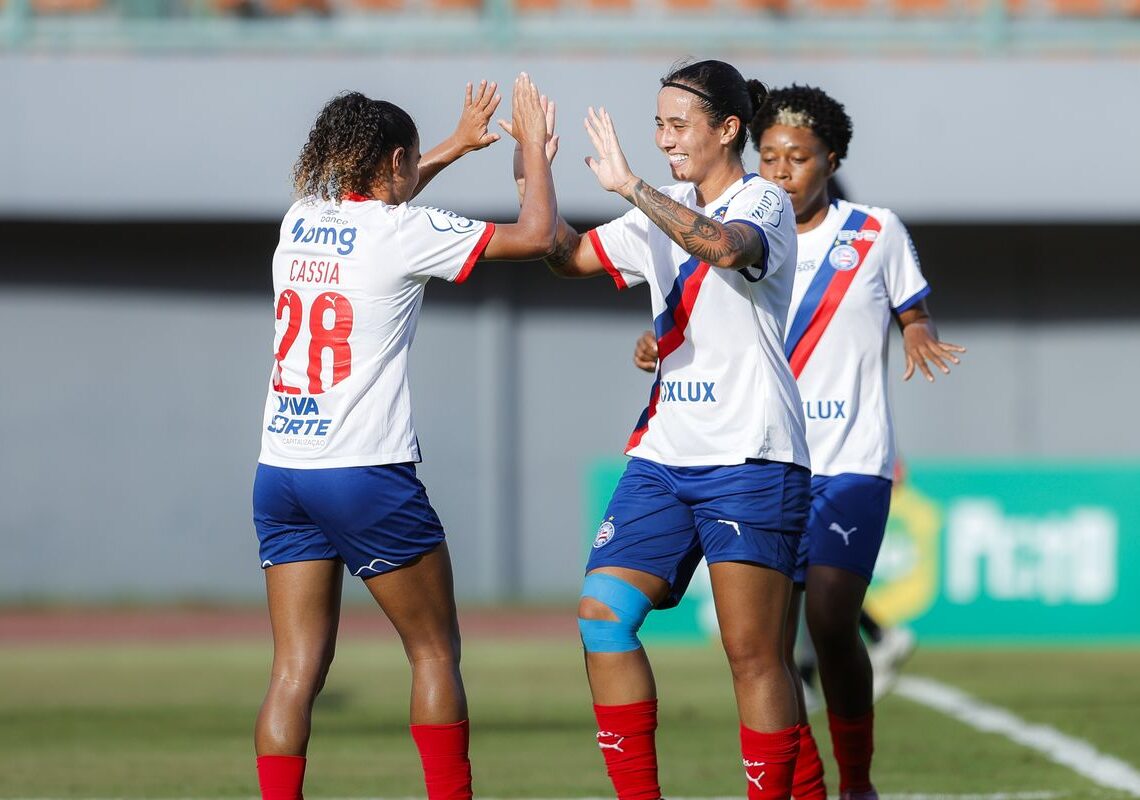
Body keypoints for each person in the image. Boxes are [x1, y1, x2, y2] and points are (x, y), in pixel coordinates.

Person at [632, 84, 963, 800]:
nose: (782, 170)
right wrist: (658, 342)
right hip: (769, 458)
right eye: (772, 156)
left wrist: (919, 333)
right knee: (769, 648)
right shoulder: (737, 230)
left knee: (832, 618)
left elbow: (914, 310)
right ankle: (804, 788)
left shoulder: (875, 232)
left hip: (850, 460)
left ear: (831, 160)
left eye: (799, 157)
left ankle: (858, 782)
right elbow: (700, 322)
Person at [251, 75, 557, 800]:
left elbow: (384, 199)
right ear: (394, 161)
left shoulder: (300, 219)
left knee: (294, 670)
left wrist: (452, 145)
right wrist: (535, 156)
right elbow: (538, 236)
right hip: (363, 473)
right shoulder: (401, 232)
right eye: (412, 161)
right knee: (433, 651)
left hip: (281, 472)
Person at [533, 59, 811, 800]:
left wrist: (631, 187)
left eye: (679, 124)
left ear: (729, 129)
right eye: (658, 124)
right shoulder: (659, 206)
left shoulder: (764, 199)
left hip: (751, 454)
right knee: (602, 617)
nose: (664, 138)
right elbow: (568, 257)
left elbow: (725, 248)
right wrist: (536, 169)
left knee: (753, 656)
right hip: (663, 454)